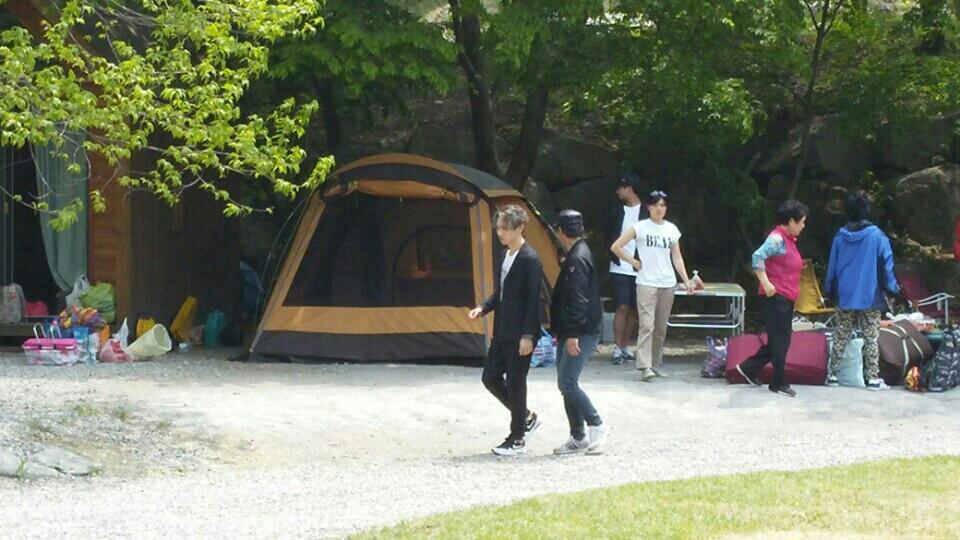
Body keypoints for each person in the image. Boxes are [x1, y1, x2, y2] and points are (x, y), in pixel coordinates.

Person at [468, 205, 543, 456]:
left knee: (516, 382)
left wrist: (528, 336)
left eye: (506, 228)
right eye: (498, 228)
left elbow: (534, 301)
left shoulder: (530, 259)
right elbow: (501, 292)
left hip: (520, 333)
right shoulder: (505, 255)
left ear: (520, 228)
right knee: (490, 377)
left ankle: (517, 437)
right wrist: (483, 307)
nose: (500, 233)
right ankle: (526, 417)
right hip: (502, 330)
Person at [610, 190, 695, 382]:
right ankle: (644, 365)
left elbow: (677, 257)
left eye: (662, 205)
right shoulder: (640, 227)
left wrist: (686, 279)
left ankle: (656, 363)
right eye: (655, 205)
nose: (659, 208)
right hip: (646, 282)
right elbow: (616, 246)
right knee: (647, 325)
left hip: (667, 282)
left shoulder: (671, 229)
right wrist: (633, 261)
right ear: (648, 207)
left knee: (660, 327)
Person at [823, 191, 900, 391]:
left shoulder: (840, 237)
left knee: (841, 334)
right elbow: (887, 265)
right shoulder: (877, 236)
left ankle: (832, 375)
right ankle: (873, 378)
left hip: (845, 295)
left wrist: (829, 290)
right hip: (869, 294)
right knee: (871, 337)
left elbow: (832, 266)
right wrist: (892, 289)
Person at [735, 199, 809, 398]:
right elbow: (757, 256)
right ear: (791, 221)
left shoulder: (789, 240)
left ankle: (749, 367)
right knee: (781, 341)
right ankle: (778, 382)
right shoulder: (777, 239)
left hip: (785, 296)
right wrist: (766, 283)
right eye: (801, 221)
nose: (803, 226)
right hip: (776, 296)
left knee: (779, 339)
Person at [550, 210, 608, 455]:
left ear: (560, 231)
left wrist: (573, 333)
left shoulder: (577, 258)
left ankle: (597, 424)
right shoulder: (579, 253)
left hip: (580, 330)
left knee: (568, 382)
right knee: (565, 383)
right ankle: (577, 436)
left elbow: (578, 298)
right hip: (570, 329)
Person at [605, 172, 647, 365]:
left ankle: (625, 346)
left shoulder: (646, 211)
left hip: (640, 266)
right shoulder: (616, 211)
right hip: (619, 265)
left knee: (634, 309)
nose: (617, 191)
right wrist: (613, 254)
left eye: (621, 187)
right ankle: (616, 347)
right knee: (621, 306)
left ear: (629, 188)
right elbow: (608, 235)